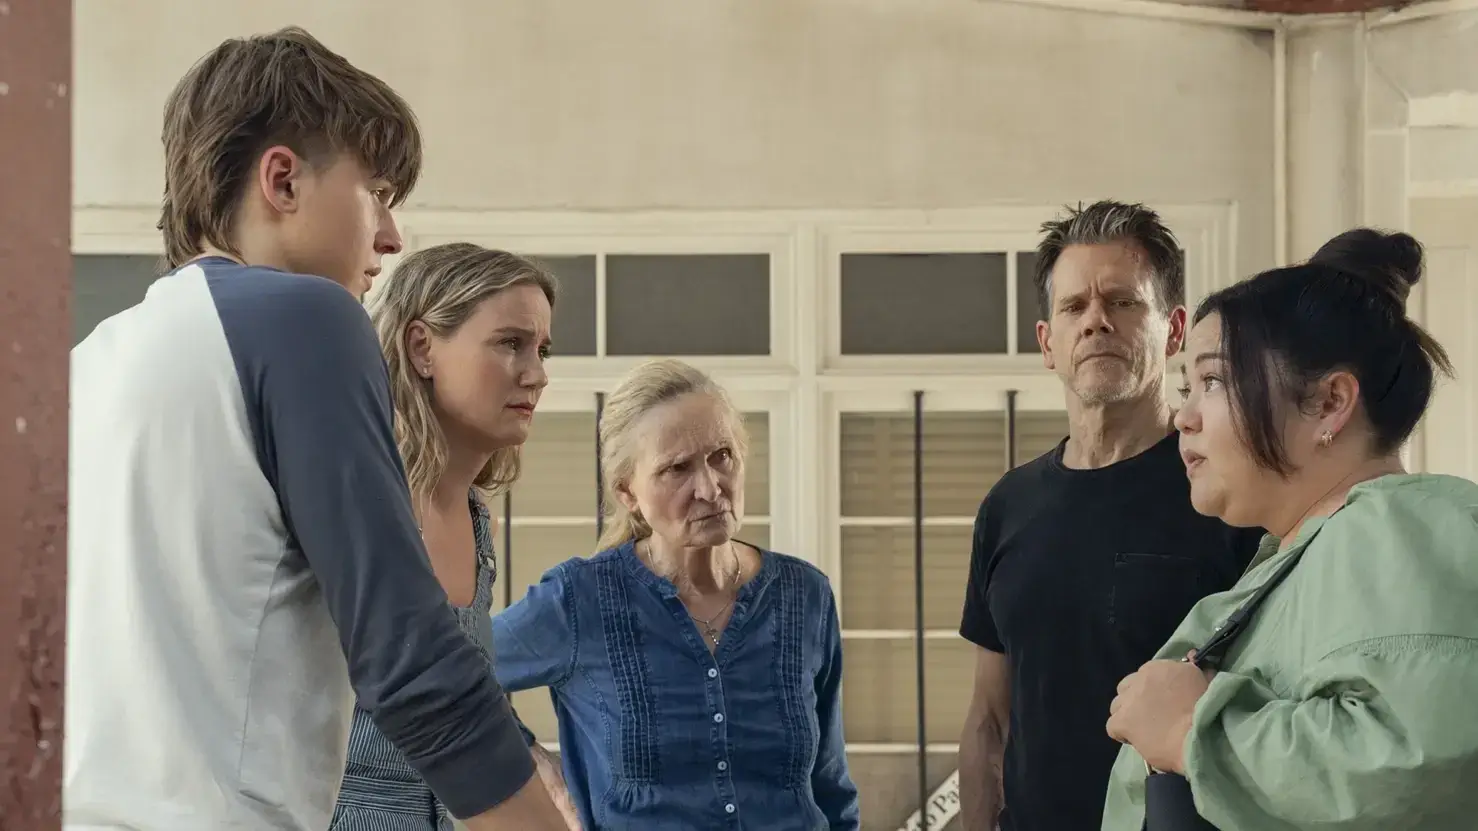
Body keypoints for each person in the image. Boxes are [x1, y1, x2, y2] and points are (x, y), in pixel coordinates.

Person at [65, 29, 566, 831]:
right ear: (283, 180)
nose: (391, 237)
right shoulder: (303, 319)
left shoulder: (86, 366)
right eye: (377, 193)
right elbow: (412, 664)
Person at [1101, 229, 1478, 830]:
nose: (1184, 416)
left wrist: (1188, 731)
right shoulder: (1302, 558)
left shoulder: (1393, 529)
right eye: (1187, 388)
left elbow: (1420, 764)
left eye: (1213, 381)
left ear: (1329, 403)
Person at [957, 201, 1264, 831]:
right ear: (1047, 343)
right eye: (1074, 307)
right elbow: (989, 720)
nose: (1096, 321)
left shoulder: (1230, 495)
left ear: (1174, 331)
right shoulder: (1007, 507)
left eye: (1123, 302)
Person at [489, 358, 861, 830]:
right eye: (677, 468)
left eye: (722, 455)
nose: (709, 487)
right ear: (628, 492)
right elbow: (446, 675)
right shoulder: (579, 600)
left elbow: (831, 786)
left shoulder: (805, 594)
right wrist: (532, 764)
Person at [328, 243, 580, 830]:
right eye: (510, 343)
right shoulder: (356, 498)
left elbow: (465, 689)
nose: (538, 374)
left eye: (542, 350)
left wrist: (534, 759)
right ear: (422, 348)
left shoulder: (476, 517)